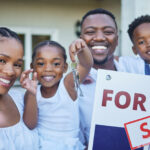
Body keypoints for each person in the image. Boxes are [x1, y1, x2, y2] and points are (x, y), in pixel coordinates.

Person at [78, 8, 144, 150]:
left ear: (117, 40)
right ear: (81, 39)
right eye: (90, 32)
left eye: (108, 32)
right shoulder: (73, 84)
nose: (100, 37)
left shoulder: (134, 68)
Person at [20, 39, 93, 150]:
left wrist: (82, 48)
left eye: (56, 64)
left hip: (69, 145)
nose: (48, 69)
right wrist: (31, 94)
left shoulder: (68, 85)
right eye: (40, 63)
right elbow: (30, 125)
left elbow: (85, 65)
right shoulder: (31, 92)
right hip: (41, 144)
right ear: (32, 66)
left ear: (64, 67)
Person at [0, 27, 39, 150]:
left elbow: (31, 126)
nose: (10, 72)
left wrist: (31, 93)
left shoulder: (18, 98)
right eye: (1, 60)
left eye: (17, 65)